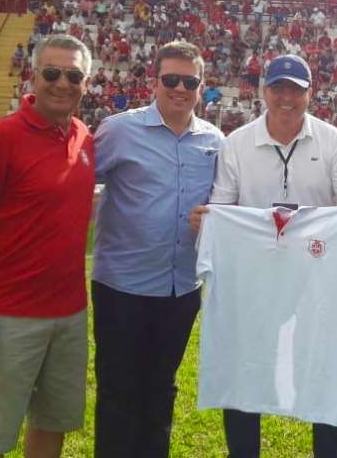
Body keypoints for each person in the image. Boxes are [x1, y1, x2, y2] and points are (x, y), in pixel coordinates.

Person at [189, 54, 337, 458]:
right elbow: (221, 207)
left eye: (296, 90)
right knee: (244, 367)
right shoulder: (237, 142)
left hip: (315, 284)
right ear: (263, 91)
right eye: (278, 88)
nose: (286, 97)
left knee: (322, 367)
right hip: (253, 282)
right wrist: (209, 221)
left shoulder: (332, 140)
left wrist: (336, 220)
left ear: (310, 94)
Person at [0, 34, 95, 458]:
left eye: (73, 75)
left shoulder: (84, 136)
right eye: (51, 72)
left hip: (69, 314)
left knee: (52, 426)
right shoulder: (2, 138)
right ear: (33, 75)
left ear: (86, 82)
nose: (62, 83)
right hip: (8, 316)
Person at [92, 41, 224, 457]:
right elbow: (73, 181)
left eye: (190, 81)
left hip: (180, 288)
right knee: (117, 390)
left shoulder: (215, 140)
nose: (180, 88)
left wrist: (216, 216)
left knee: (161, 387)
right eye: (171, 79)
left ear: (201, 87)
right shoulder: (118, 129)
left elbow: (226, 204)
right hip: (121, 287)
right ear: (154, 81)